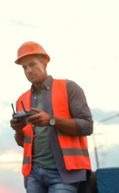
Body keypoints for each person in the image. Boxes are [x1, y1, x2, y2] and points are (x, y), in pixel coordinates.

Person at [10, 41, 93, 193]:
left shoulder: (69, 88)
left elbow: (87, 126)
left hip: (65, 174)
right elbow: (23, 143)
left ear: (45, 62)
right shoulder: (22, 100)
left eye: (32, 64)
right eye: (24, 67)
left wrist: (51, 121)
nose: (28, 70)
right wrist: (18, 130)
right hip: (34, 174)